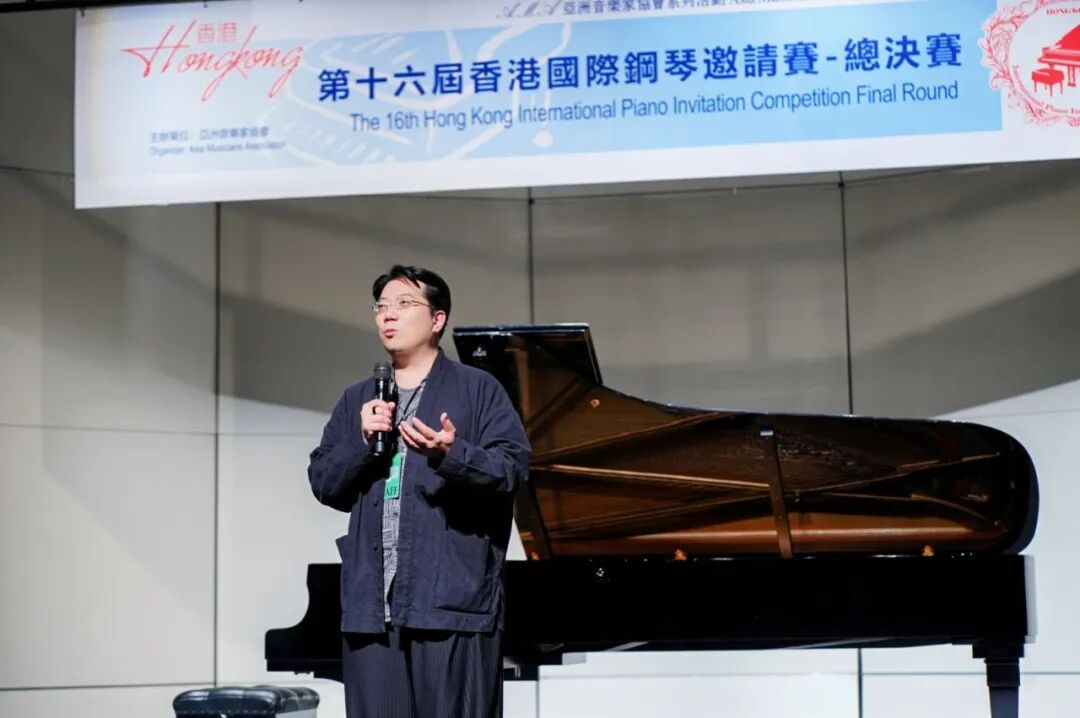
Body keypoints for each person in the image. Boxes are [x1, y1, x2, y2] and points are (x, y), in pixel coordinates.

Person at [307, 265, 530, 718]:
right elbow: (324, 482)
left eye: (404, 304)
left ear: (437, 319)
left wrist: (452, 453)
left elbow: (512, 469)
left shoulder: (477, 390)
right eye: (381, 306)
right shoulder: (358, 398)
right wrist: (362, 441)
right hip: (372, 609)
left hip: (452, 602)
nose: (388, 315)